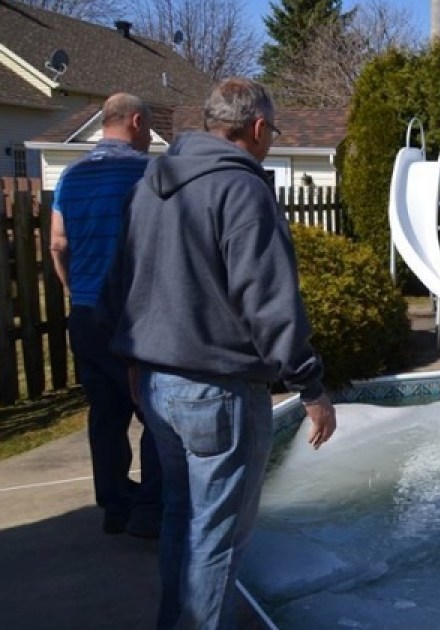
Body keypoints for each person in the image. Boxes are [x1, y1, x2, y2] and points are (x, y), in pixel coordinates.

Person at [100, 77, 337, 629]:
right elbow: (269, 301)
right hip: (219, 391)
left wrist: (134, 362)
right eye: (272, 133)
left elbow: (121, 283)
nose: (270, 142)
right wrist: (311, 387)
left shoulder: (150, 184)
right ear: (256, 128)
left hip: (158, 385)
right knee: (217, 539)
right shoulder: (242, 189)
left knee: (182, 519)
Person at [49, 92, 162, 538]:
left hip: (85, 313)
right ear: (135, 121)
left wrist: (74, 289)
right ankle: (151, 509)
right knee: (154, 410)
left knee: (106, 414)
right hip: (135, 314)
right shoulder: (147, 173)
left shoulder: (71, 176)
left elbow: (58, 244)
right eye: (148, 126)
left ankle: (115, 506)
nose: (149, 136)